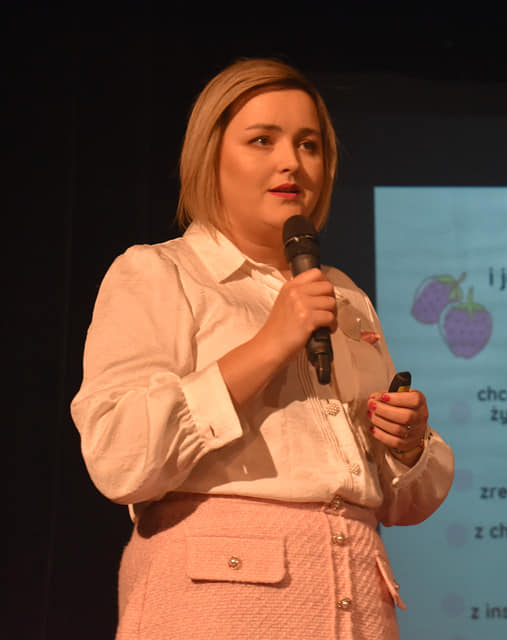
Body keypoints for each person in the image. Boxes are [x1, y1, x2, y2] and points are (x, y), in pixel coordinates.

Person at [71, 58, 454, 640]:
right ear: (210, 157)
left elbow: (403, 502)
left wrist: (406, 443)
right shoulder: (159, 274)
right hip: (217, 607)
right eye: (261, 140)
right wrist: (269, 345)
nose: (291, 162)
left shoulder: (346, 297)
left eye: (308, 144)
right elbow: (119, 456)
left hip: (356, 607)